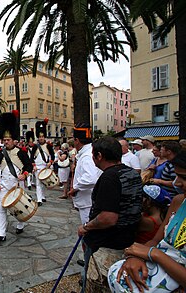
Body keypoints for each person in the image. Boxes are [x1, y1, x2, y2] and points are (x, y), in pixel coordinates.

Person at [108, 150, 186, 293]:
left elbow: (153, 250)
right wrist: (135, 257)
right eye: (176, 176)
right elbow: (155, 240)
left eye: (184, 178)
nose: (177, 183)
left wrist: (154, 254)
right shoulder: (179, 201)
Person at [77, 136, 143, 292]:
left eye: (94, 154)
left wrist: (86, 227)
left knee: (98, 282)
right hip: (127, 237)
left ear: (99, 156)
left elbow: (108, 218)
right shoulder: (132, 173)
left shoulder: (109, 177)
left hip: (107, 242)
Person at [0, 111, 33, 239]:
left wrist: (25, 175)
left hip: (17, 184)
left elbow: (29, 166)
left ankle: (20, 224)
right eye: (4, 140)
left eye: (8, 140)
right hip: (4, 185)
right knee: (1, 208)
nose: (6, 142)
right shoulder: (0, 153)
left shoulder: (21, 152)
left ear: (13, 139)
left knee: (18, 207)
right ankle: (2, 232)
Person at [69, 125, 102, 225]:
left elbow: (91, 178)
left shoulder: (87, 156)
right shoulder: (88, 152)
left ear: (77, 140)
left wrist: (75, 188)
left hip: (88, 202)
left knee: (87, 230)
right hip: (88, 200)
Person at [33, 119, 54, 204]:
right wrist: (34, 165)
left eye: (42, 136)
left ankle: (42, 196)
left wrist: (50, 162)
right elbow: (31, 157)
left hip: (46, 166)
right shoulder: (35, 146)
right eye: (40, 137)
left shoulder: (48, 146)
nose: (41, 138)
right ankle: (39, 199)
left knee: (43, 183)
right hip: (38, 167)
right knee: (38, 183)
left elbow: (52, 155)